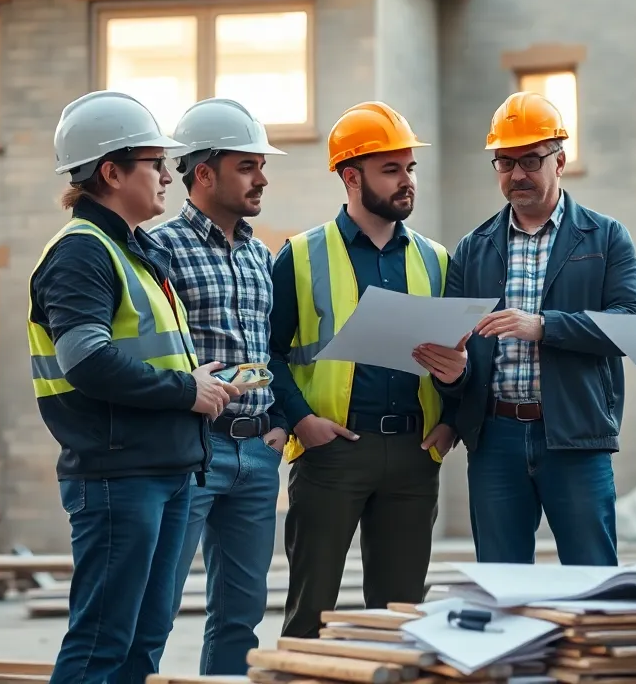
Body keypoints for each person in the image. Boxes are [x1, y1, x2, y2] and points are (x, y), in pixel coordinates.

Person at [28, 90, 239, 684]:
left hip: (165, 468)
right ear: (111, 172)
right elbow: (87, 362)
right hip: (119, 477)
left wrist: (202, 384)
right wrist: (185, 391)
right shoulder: (80, 254)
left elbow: (143, 353)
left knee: (144, 641)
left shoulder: (136, 251)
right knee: (102, 643)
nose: (168, 175)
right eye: (154, 162)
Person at [430, 91, 636, 567]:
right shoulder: (473, 248)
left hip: (575, 434)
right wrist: (452, 383)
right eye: (504, 162)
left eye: (530, 159)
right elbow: (455, 348)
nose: (517, 174)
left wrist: (544, 326)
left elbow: (634, 324)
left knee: (591, 581)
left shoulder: (606, 237)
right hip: (495, 439)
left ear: (560, 160)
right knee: (502, 583)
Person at [268, 101, 461, 638]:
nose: (407, 182)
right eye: (391, 169)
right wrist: (303, 421)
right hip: (331, 453)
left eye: (410, 169)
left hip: (413, 454)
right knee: (309, 613)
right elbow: (269, 353)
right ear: (351, 177)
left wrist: (451, 422)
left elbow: (460, 356)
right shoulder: (300, 255)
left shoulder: (436, 260)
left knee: (400, 620)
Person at [150, 98, 289, 675]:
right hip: (191, 452)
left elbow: (269, 349)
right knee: (155, 605)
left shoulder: (261, 254)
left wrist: (279, 418)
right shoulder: (160, 249)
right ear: (203, 173)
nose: (262, 178)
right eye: (247, 166)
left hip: (257, 455)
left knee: (241, 615)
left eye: (261, 166)